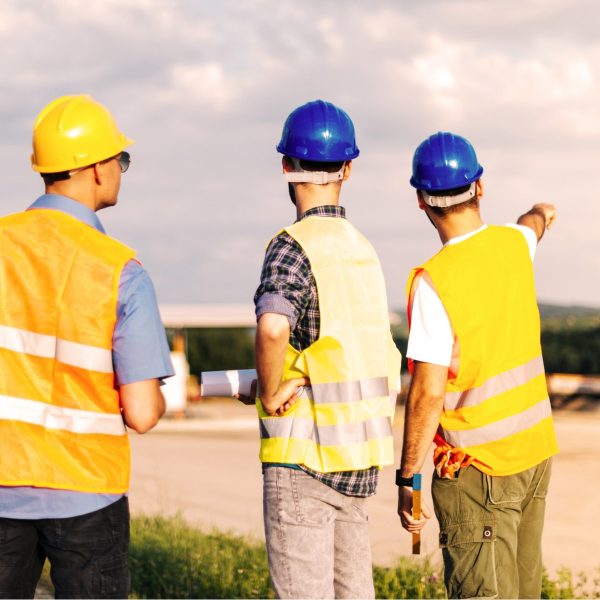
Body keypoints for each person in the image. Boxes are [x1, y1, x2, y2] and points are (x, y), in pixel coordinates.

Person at [0, 94, 174, 598]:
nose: (121, 170)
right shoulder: (120, 271)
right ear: (98, 167)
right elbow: (142, 413)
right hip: (87, 495)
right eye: (121, 159)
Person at [240, 100, 401, 599]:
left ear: (285, 166)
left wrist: (270, 391)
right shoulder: (362, 249)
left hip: (303, 458)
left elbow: (273, 328)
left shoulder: (292, 245)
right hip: (356, 460)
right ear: (347, 169)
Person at [396, 131, 559, 599]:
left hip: (480, 472)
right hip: (533, 457)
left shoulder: (435, 282)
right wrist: (543, 210)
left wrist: (409, 479)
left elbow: (427, 393)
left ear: (421, 200)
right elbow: (533, 222)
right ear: (480, 186)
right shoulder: (514, 244)